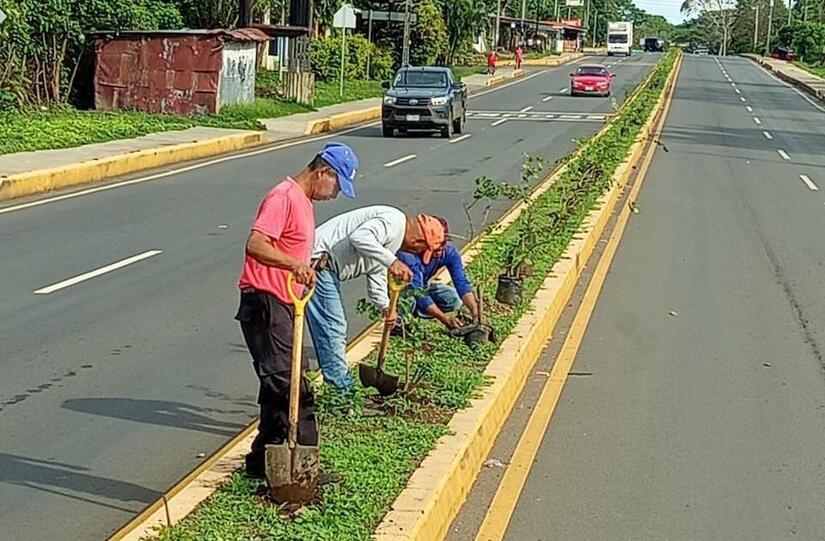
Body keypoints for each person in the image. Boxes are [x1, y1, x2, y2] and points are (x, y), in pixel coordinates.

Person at [235, 142, 359, 477]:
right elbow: (256, 244)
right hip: (265, 300)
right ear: (323, 172)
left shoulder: (303, 202)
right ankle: (305, 471)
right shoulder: (284, 196)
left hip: (286, 302)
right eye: (336, 185)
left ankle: (262, 462)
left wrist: (307, 265)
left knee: (279, 382)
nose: (334, 195)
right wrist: (294, 266)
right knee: (292, 386)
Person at [307, 207, 442, 391]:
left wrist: (386, 306)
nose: (417, 254)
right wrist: (392, 262)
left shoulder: (392, 241)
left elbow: (376, 270)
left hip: (326, 268)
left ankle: (337, 387)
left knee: (330, 328)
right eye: (421, 250)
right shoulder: (393, 221)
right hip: (319, 264)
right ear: (416, 241)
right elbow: (360, 237)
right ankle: (342, 393)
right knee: (333, 328)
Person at [396, 216, 480, 330]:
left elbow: (461, 282)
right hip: (403, 289)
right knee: (409, 300)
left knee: (453, 299)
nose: (439, 249)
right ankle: (399, 322)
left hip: (423, 287)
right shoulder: (408, 256)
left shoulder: (450, 252)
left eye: (442, 244)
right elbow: (418, 293)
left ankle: (420, 310)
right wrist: (445, 319)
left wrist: (475, 311)